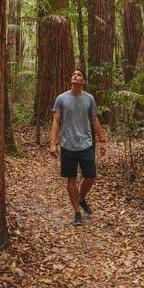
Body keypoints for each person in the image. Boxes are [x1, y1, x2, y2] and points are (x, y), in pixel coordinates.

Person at [49, 68, 107, 225]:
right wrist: (53, 143)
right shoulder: (61, 98)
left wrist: (102, 140)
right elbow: (55, 122)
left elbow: (94, 120)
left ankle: (81, 198)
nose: (75, 76)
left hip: (86, 144)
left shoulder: (89, 99)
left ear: (83, 81)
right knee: (71, 180)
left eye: (79, 75)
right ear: (71, 79)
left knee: (91, 176)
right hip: (68, 145)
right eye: (73, 74)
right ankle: (77, 213)